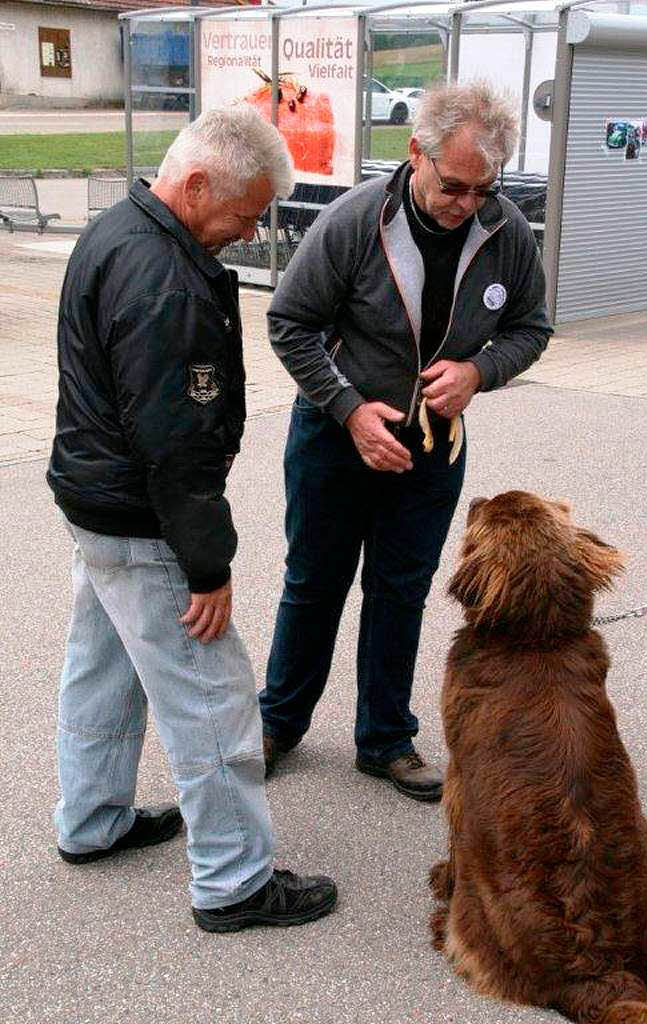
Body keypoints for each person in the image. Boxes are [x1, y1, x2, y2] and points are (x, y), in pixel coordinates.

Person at [47, 105, 337, 932]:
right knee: (211, 700)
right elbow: (178, 446)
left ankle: (92, 821)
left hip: (94, 504)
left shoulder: (116, 230)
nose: (248, 233)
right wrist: (208, 568)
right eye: (244, 214)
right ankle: (236, 882)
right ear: (199, 182)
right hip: (143, 522)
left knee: (100, 673)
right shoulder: (165, 280)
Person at [259, 82, 553, 800]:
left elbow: (531, 328)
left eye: (483, 190)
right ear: (415, 153)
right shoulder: (357, 220)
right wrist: (351, 410)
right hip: (336, 436)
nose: (466, 204)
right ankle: (277, 724)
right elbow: (289, 321)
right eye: (454, 186)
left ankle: (385, 738)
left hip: (432, 448)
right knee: (314, 583)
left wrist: (481, 372)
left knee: (401, 592)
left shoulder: (506, 232)